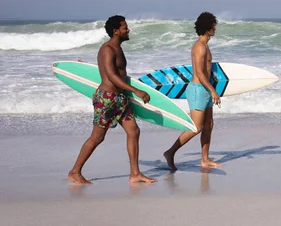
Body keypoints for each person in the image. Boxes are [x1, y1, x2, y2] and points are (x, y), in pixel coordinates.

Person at [68, 15, 156, 185]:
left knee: (134, 131)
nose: (128, 29)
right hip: (106, 99)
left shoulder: (118, 48)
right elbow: (112, 76)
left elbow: (121, 75)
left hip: (121, 98)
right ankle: (75, 171)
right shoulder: (107, 49)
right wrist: (136, 90)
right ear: (116, 31)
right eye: (125, 27)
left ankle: (135, 173)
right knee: (97, 137)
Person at [163, 12, 222, 170]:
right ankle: (170, 152)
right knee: (196, 127)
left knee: (209, 124)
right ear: (207, 28)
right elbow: (199, 73)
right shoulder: (199, 47)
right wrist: (213, 91)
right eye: (213, 25)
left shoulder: (206, 45)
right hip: (198, 90)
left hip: (206, 89)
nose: (215, 28)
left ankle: (205, 159)